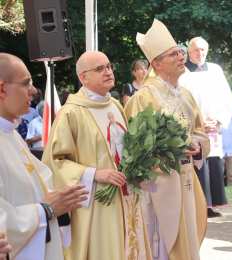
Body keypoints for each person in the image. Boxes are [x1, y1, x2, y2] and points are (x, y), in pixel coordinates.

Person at [42, 51, 151, 260]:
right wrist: (94, 174)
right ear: (83, 77)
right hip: (96, 203)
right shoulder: (71, 113)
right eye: (100, 69)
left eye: (109, 66)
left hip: (126, 196)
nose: (108, 71)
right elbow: (54, 161)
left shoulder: (116, 105)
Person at [125, 19, 209, 260]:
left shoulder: (186, 95)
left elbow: (200, 132)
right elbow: (135, 147)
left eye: (180, 52)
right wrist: (165, 151)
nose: (181, 57)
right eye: (173, 54)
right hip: (158, 185)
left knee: (188, 238)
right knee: (161, 244)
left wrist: (197, 146)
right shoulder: (144, 97)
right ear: (156, 63)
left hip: (186, 177)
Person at [0, 53, 88, 259]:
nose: (33, 91)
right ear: (2, 89)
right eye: (26, 84)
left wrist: (61, 199)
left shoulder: (12, 135)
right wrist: (45, 211)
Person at [179, 36, 232, 217]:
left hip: (213, 127)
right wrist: (198, 123)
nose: (199, 53)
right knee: (198, 165)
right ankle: (200, 205)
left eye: (203, 49)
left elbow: (227, 97)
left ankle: (212, 205)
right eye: (196, 50)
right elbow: (180, 101)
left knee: (213, 164)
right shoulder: (183, 73)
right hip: (194, 127)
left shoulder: (216, 70)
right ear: (189, 52)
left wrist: (218, 121)